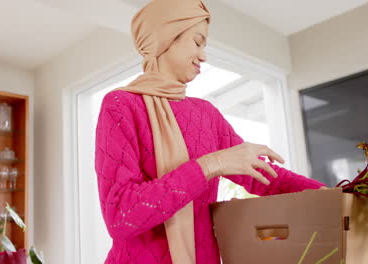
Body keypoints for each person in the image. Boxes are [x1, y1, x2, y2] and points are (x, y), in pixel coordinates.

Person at [94, 0, 326, 263]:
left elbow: (264, 176)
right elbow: (121, 215)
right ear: (166, 39)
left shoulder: (206, 114)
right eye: (197, 42)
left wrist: (339, 196)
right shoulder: (121, 105)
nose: (203, 56)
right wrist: (210, 165)